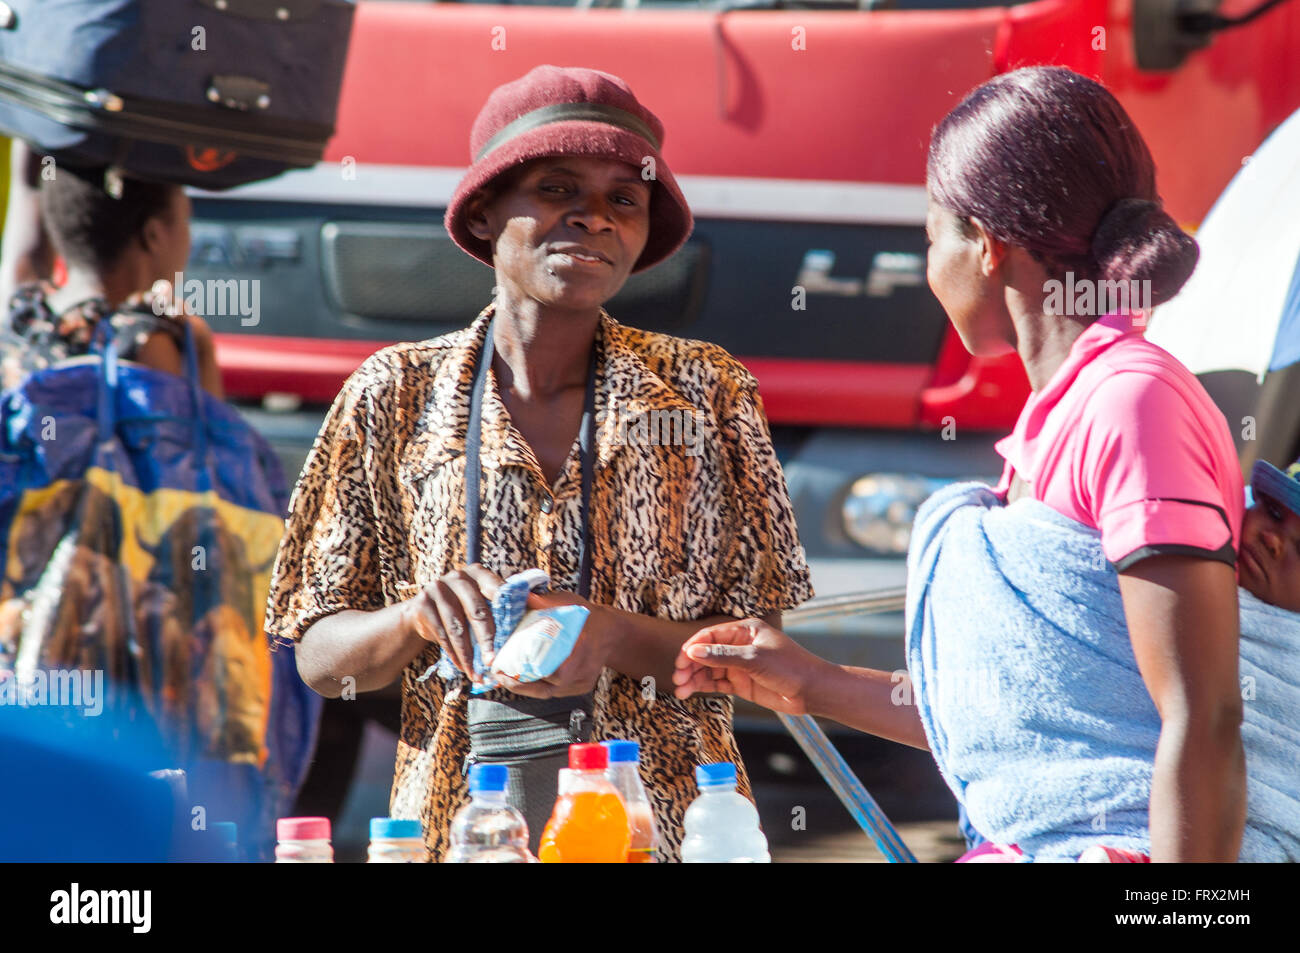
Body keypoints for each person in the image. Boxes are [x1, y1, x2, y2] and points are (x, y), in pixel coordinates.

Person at [675, 66, 1259, 862]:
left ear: (985, 245)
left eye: (929, 235)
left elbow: (1204, 716)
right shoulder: (1053, 427)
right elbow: (1017, 722)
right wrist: (808, 681)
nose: (927, 266)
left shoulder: (1133, 403)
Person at [264, 65, 812, 861]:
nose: (593, 219)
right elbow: (319, 657)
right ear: (485, 213)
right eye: (559, 189)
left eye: (624, 199)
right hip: (467, 828)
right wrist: (417, 616)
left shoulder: (708, 389)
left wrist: (612, 635)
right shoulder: (392, 392)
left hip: (661, 826)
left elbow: (758, 638)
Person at [1, 162, 220, 395]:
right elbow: (201, 428)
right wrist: (201, 348)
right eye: (186, 219)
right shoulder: (143, 341)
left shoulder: (24, 316)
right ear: (153, 234)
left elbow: (26, 190)